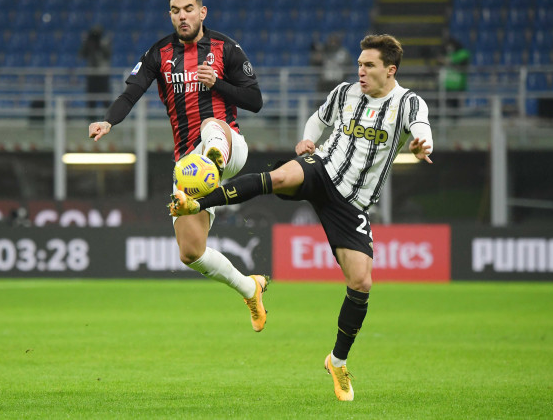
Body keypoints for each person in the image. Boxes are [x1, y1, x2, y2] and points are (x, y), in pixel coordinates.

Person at [170, 34, 434, 401]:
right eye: (358, 63)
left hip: (352, 203)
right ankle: (196, 203)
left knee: (361, 282)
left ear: (390, 70)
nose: (360, 71)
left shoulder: (407, 103)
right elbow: (317, 118)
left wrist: (423, 144)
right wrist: (307, 140)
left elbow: (422, 129)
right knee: (278, 177)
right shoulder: (345, 93)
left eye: (369, 65)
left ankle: (337, 362)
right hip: (321, 168)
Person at [88, 0, 268, 332]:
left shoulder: (225, 48)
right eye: (175, 10)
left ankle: (211, 159)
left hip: (229, 145)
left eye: (188, 9)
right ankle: (250, 287)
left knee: (211, 125)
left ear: (203, 12)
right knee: (190, 253)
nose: (182, 16)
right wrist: (108, 119)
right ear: (170, 15)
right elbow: (131, 92)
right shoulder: (160, 53)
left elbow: (255, 100)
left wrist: (218, 84)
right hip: (188, 165)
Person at [79, 25, 112, 121]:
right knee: (91, 99)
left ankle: (108, 121)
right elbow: (82, 54)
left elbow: (108, 55)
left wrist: (101, 45)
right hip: (91, 74)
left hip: (103, 73)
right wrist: (87, 44)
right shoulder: (89, 43)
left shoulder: (105, 42)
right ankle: (91, 120)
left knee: (105, 99)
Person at [310, 33, 353, 103]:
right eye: (331, 42)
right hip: (325, 80)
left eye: (334, 42)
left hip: (339, 80)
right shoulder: (324, 52)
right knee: (321, 98)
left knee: (338, 99)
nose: (333, 44)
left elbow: (349, 66)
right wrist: (317, 60)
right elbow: (314, 64)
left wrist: (344, 77)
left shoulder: (343, 53)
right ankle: (319, 110)